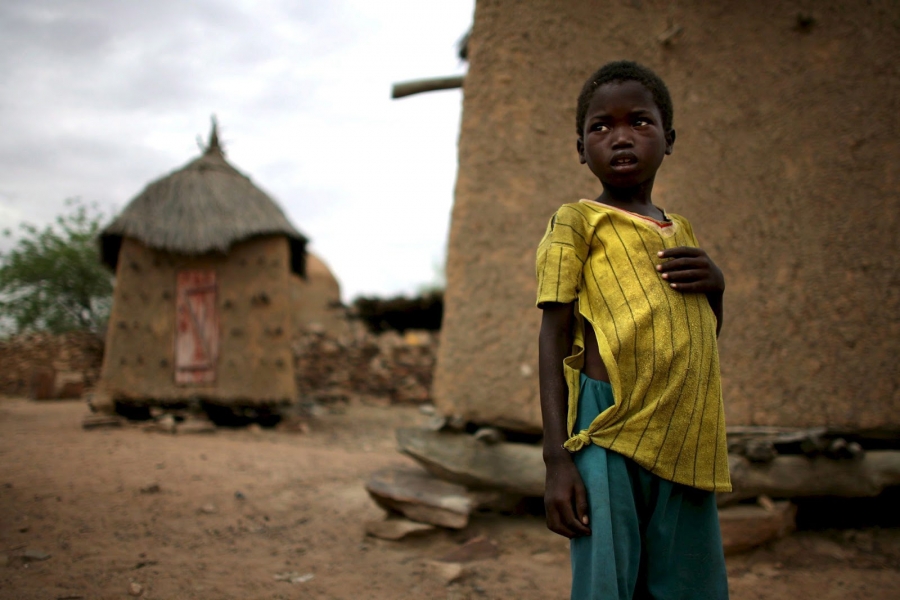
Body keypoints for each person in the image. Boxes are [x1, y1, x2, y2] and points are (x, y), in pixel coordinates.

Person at [535, 61, 731, 599]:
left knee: (686, 584)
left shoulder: (680, 229)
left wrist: (717, 287)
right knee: (608, 583)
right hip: (609, 425)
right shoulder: (576, 221)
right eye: (601, 127)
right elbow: (553, 336)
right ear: (580, 148)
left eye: (639, 122)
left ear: (669, 138)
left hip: (685, 429)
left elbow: (699, 337)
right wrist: (557, 459)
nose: (620, 137)